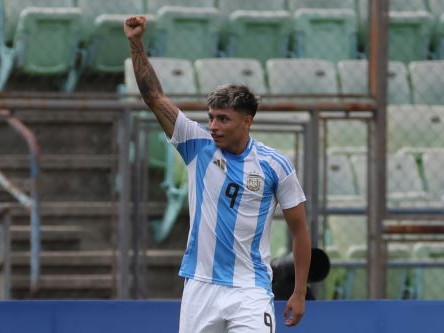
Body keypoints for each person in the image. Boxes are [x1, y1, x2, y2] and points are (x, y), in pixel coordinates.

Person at [124, 16, 311, 332]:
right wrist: (136, 42)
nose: (213, 126)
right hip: (201, 286)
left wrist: (299, 291)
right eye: (211, 118)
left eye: (223, 119)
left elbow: (300, 229)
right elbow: (153, 97)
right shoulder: (196, 145)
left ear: (247, 121)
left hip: (250, 289)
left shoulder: (275, 165)